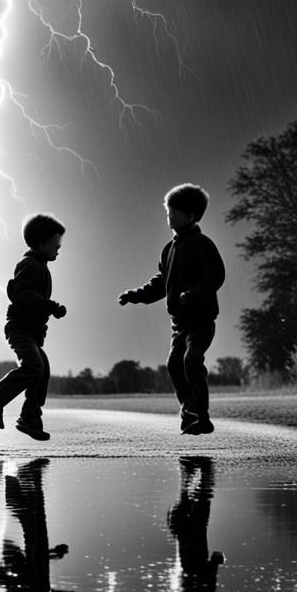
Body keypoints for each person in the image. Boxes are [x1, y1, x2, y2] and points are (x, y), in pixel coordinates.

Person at [119, 183, 225, 435]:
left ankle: (202, 415)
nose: (168, 216)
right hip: (179, 324)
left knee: (191, 360)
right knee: (174, 365)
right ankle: (189, 409)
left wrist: (194, 294)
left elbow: (216, 276)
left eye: (172, 212)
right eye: (167, 211)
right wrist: (135, 295)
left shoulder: (203, 245)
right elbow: (159, 284)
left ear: (189, 215)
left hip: (201, 319)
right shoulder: (169, 249)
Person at [0, 213, 67, 441]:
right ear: (40, 243)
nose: (58, 249)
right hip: (20, 330)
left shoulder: (40, 266)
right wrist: (51, 306)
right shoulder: (30, 265)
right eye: (55, 245)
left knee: (41, 369)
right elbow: (23, 295)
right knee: (33, 366)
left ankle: (30, 418)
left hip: (32, 333)